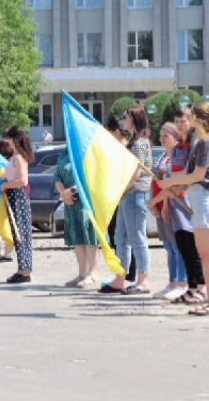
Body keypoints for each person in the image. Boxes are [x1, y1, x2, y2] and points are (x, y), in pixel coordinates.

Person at [160, 101, 209, 316]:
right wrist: (176, 187)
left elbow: (199, 175)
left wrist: (171, 182)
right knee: (205, 253)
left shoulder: (207, 142)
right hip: (199, 197)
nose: (185, 123)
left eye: (189, 118)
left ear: (196, 119)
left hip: (208, 197)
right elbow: (191, 178)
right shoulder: (199, 142)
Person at [101, 105, 153, 294]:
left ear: (135, 119)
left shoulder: (140, 143)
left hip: (135, 194)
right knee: (120, 237)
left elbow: (137, 172)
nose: (124, 119)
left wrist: (121, 188)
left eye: (127, 116)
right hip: (127, 195)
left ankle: (143, 280)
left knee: (137, 237)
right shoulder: (134, 141)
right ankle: (121, 278)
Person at [169, 108, 207, 305]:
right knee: (182, 244)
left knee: (193, 246)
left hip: (189, 199)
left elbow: (191, 172)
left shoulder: (195, 144)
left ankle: (200, 286)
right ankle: (191, 287)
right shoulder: (179, 147)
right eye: (177, 120)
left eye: (183, 120)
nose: (180, 123)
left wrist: (180, 185)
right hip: (177, 199)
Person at [148, 123, 190, 301]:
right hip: (164, 204)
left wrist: (157, 201)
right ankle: (173, 282)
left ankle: (182, 282)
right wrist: (158, 203)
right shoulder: (165, 156)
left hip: (177, 204)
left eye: (166, 136)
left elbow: (172, 184)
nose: (162, 139)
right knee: (169, 246)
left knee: (178, 245)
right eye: (160, 135)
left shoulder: (179, 157)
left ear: (175, 137)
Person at [54, 140, 101, 289]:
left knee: (89, 236)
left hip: (86, 201)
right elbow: (57, 177)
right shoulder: (64, 155)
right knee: (77, 237)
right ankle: (82, 273)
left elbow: (90, 177)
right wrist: (64, 194)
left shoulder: (86, 153)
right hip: (70, 203)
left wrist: (73, 191)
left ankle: (93, 274)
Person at [2, 126, 35, 284]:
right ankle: (22, 267)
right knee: (17, 233)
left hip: (18, 196)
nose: (7, 142)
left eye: (9, 138)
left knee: (21, 232)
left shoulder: (19, 158)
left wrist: (6, 186)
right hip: (13, 196)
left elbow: (23, 181)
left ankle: (25, 270)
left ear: (14, 140)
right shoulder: (15, 157)